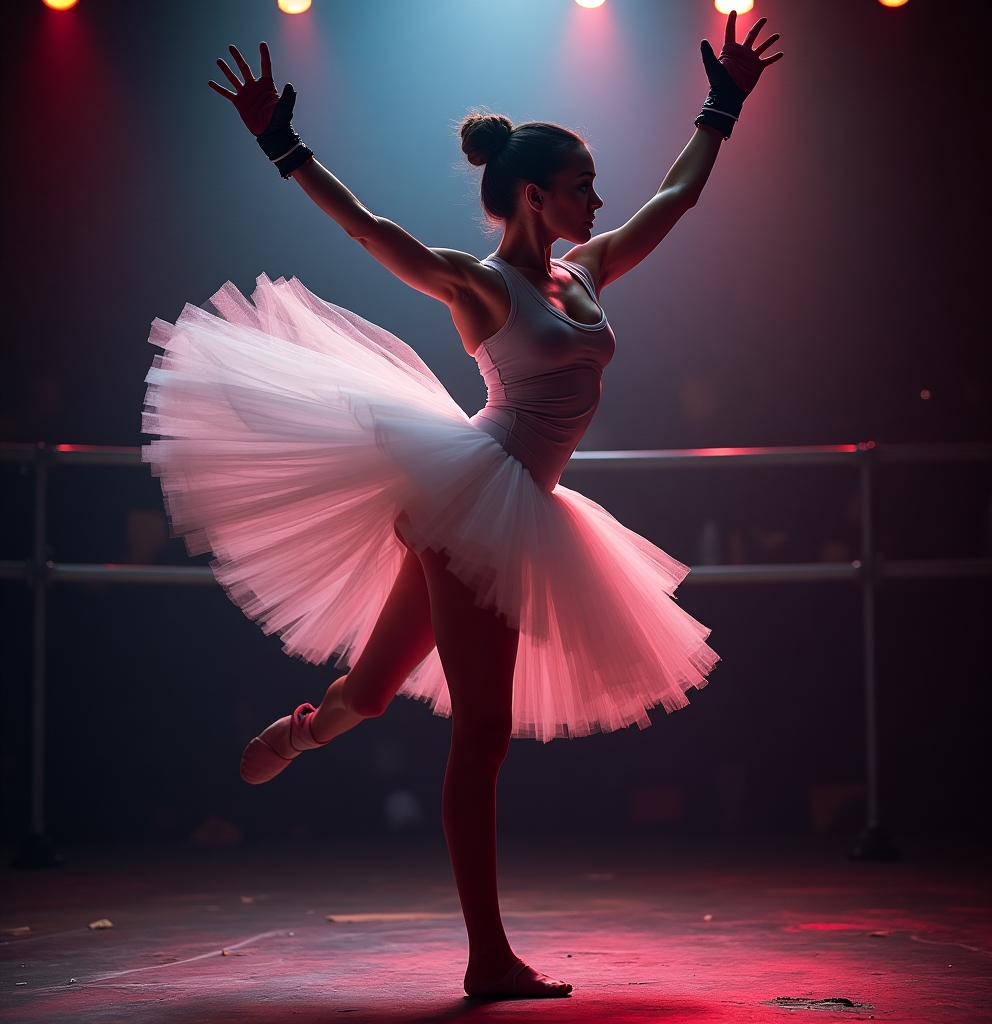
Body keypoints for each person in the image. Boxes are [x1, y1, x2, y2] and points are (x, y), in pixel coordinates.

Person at [143, 11, 781, 999]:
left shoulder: (586, 270)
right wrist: (282, 143)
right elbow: (368, 230)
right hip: (478, 497)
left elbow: (675, 197)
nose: (596, 200)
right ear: (533, 194)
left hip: (521, 503)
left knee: (375, 685)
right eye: (580, 187)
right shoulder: (479, 287)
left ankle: (306, 728)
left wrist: (722, 103)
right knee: (482, 733)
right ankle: (488, 954)